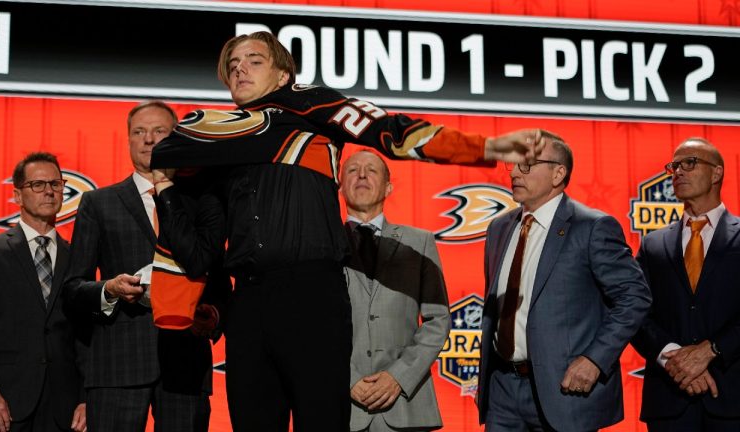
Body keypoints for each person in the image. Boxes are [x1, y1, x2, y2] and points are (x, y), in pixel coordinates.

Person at [150, 31, 546, 432]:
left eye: (253, 60)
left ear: (284, 74)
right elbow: (198, 254)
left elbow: (391, 131)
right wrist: (164, 189)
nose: (240, 70)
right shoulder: (208, 143)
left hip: (312, 296)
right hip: (248, 306)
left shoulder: (312, 106)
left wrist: (482, 148)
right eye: (232, 67)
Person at [475, 132, 651, 432]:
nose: (515, 172)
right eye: (513, 165)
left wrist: (595, 360)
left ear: (559, 173)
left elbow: (635, 298)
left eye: (527, 165)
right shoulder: (499, 228)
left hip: (564, 390)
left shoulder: (593, 227)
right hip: (502, 390)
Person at [63, 101, 222, 432]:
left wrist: (213, 314)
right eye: (139, 132)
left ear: (176, 138)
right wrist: (109, 289)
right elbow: (73, 288)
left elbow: (219, 277)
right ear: (129, 141)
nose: (149, 139)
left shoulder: (203, 201)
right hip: (117, 365)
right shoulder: (98, 203)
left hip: (186, 363)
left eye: (159, 131)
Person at [631, 138, 740, 431]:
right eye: (674, 166)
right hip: (669, 401)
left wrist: (712, 350)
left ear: (717, 173)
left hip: (731, 397)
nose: (677, 171)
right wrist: (673, 360)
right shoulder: (653, 243)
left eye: (689, 163)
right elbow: (635, 312)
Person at [0, 152, 86, 432]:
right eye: (37, 185)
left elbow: (86, 337)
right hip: (4, 405)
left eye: (56, 184)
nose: (49, 191)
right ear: (18, 196)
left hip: (64, 407)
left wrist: (86, 398)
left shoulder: (78, 257)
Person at [340, 150, 450, 432]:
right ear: (340, 185)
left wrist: (399, 376)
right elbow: (309, 326)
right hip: (341, 409)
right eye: (352, 170)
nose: (362, 175)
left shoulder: (420, 242)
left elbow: (438, 319)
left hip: (405, 406)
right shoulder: (321, 246)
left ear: (389, 187)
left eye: (372, 170)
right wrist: (347, 379)